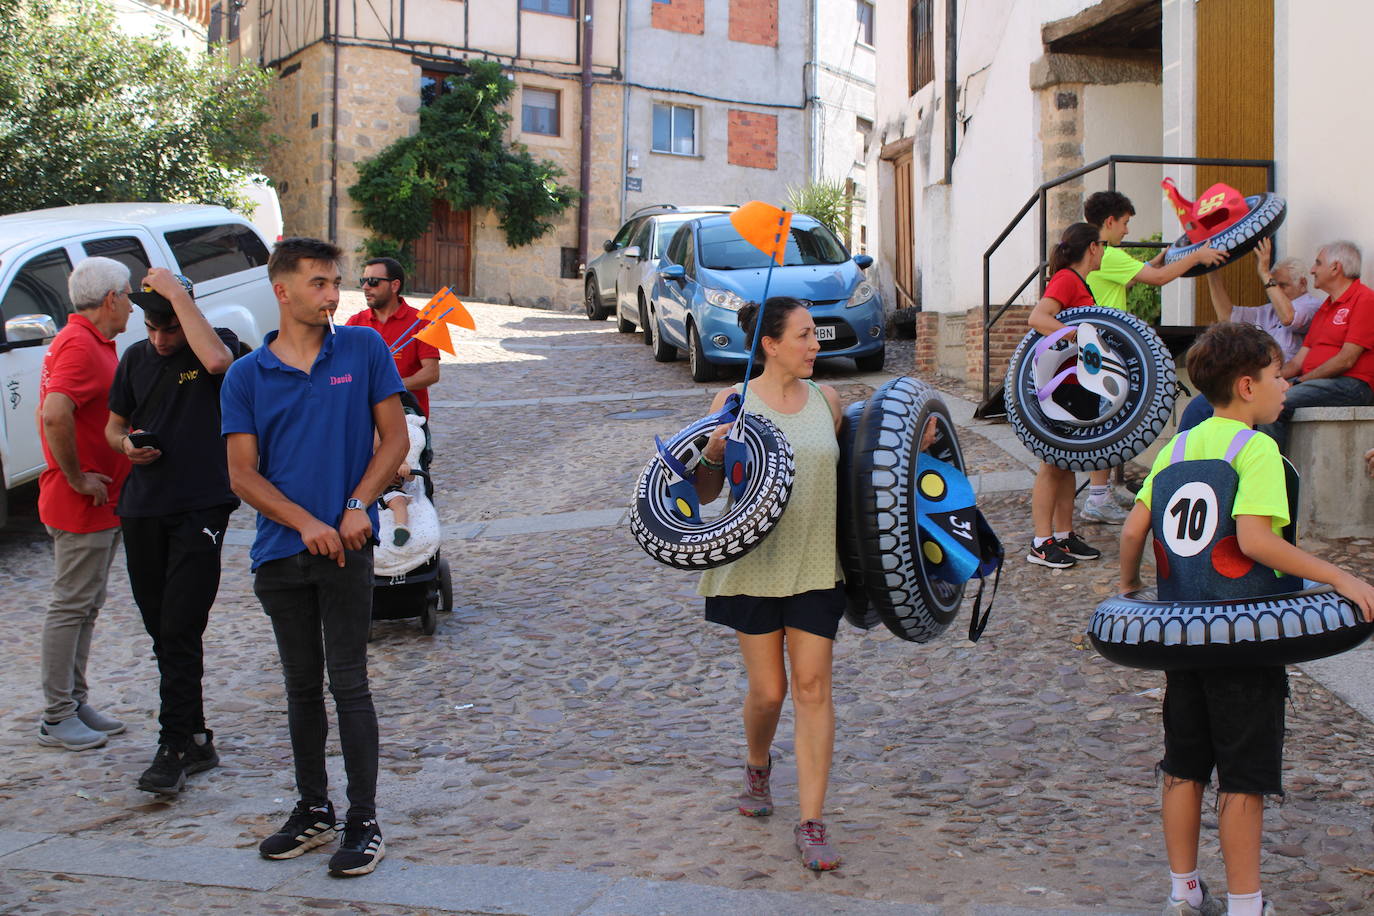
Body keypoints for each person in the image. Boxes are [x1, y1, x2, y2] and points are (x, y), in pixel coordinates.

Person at [1119, 322, 1374, 916]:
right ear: (1246, 385)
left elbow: (1134, 529)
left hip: (1182, 637)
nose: (1286, 385)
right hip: (1246, 636)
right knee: (1244, 774)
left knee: (1183, 763)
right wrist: (1339, 576)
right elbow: (1257, 542)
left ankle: (1183, 891)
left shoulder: (1178, 448)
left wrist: (1129, 589)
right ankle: (1245, 903)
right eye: (1278, 376)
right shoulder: (1256, 449)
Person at [221, 237, 408, 877]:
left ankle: (364, 820)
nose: (334, 295)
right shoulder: (246, 375)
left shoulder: (362, 348)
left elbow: (395, 439)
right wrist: (304, 523)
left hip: (348, 551)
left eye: (336, 283)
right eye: (321, 284)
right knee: (300, 687)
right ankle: (312, 809)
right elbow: (242, 475)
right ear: (283, 290)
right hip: (280, 555)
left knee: (348, 682)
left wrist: (357, 504)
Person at [694, 297, 847, 871]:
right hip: (754, 566)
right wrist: (713, 451)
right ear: (771, 344)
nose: (815, 345)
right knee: (770, 693)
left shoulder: (828, 401)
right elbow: (708, 495)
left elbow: (854, 473)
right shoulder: (732, 403)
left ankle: (811, 822)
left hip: (815, 564)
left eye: (816, 335)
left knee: (812, 687)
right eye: (805, 335)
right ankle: (758, 764)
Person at [104, 268, 238, 794]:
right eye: (151, 326)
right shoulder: (135, 358)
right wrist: (125, 446)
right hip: (142, 507)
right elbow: (115, 424)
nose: (159, 338)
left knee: (181, 624)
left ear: (186, 314)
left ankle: (174, 744)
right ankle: (197, 737)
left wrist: (182, 300)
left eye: (169, 327)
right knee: (163, 629)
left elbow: (219, 364)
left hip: (201, 505)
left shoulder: (215, 344)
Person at [1081, 191, 1228, 523]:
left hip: (1100, 347)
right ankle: (1097, 498)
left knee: (1108, 420)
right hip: (1108, 350)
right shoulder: (1108, 254)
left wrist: (1158, 260)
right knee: (1107, 422)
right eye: (1125, 223)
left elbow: (1131, 281)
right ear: (1109, 222)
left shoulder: (1098, 256)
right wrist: (1198, 256)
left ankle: (1100, 493)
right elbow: (1158, 281)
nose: (1127, 231)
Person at [36, 257, 134, 752]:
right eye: (130, 294)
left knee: (85, 606)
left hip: (102, 499)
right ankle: (56, 715)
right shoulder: (78, 343)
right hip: (83, 501)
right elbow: (55, 412)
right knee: (71, 605)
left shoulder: (87, 341)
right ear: (111, 298)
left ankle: (73, 702)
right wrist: (76, 477)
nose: (134, 304)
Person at [1024, 223, 1110, 569]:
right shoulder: (1066, 279)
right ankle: (1041, 542)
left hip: (1079, 383)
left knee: (1067, 460)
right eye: (1102, 245)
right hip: (1063, 384)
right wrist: (1077, 337)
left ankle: (1063, 534)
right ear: (1091, 247)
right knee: (1051, 462)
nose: (1104, 251)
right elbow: (1038, 317)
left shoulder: (1078, 282)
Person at [1177, 238, 1323, 431]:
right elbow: (1227, 315)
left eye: (1281, 285)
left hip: (1278, 384)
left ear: (1303, 284)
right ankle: (1185, 458)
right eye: (1273, 284)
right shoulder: (1270, 309)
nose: (1273, 289)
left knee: (1207, 407)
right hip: (1252, 381)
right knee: (1200, 406)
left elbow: (1289, 317)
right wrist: (1212, 273)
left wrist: (1264, 273)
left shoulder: (1311, 306)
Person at [1255, 240, 1374, 452]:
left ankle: (1272, 476)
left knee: (1274, 402)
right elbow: (1299, 361)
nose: (1312, 270)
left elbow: (1346, 359)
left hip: (1351, 385)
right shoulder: (1325, 308)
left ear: (1336, 268)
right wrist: (1266, 379)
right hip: (1318, 384)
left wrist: (1298, 382)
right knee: (1255, 396)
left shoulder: (1365, 299)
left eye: (1318, 263)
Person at [346, 257, 440, 417]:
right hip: (364, 416)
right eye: (364, 280)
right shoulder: (356, 322)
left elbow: (431, 373)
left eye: (373, 281)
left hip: (408, 417)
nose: (365, 287)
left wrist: (393, 386)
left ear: (395, 285)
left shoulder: (421, 322)